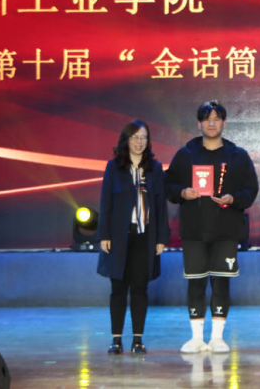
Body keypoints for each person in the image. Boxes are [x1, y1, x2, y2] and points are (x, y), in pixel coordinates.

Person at [166, 100, 259, 353]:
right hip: (194, 231)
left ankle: (217, 337)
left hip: (226, 231)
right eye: (207, 119)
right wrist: (182, 192)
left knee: (221, 283)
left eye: (216, 119)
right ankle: (196, 338)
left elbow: (251, 189)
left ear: (224, 123)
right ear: (199, 124)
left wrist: (233, 199)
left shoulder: (237, 155)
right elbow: (168, 184)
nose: (211, 123)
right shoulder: (186, 154)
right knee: (195, 283)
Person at [96, 120, 170, 354]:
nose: (139, 142)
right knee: (118, 288)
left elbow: (160, 206)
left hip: (144, 237)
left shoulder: (154, 168)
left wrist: (161, 238)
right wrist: (104, 234)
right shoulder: (114, 167)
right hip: (119, 237)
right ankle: (116, 340)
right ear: (126, 140)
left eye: (143, 137)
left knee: (140, 288)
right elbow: (105, 203)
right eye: (135, 137)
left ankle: (138, 340)